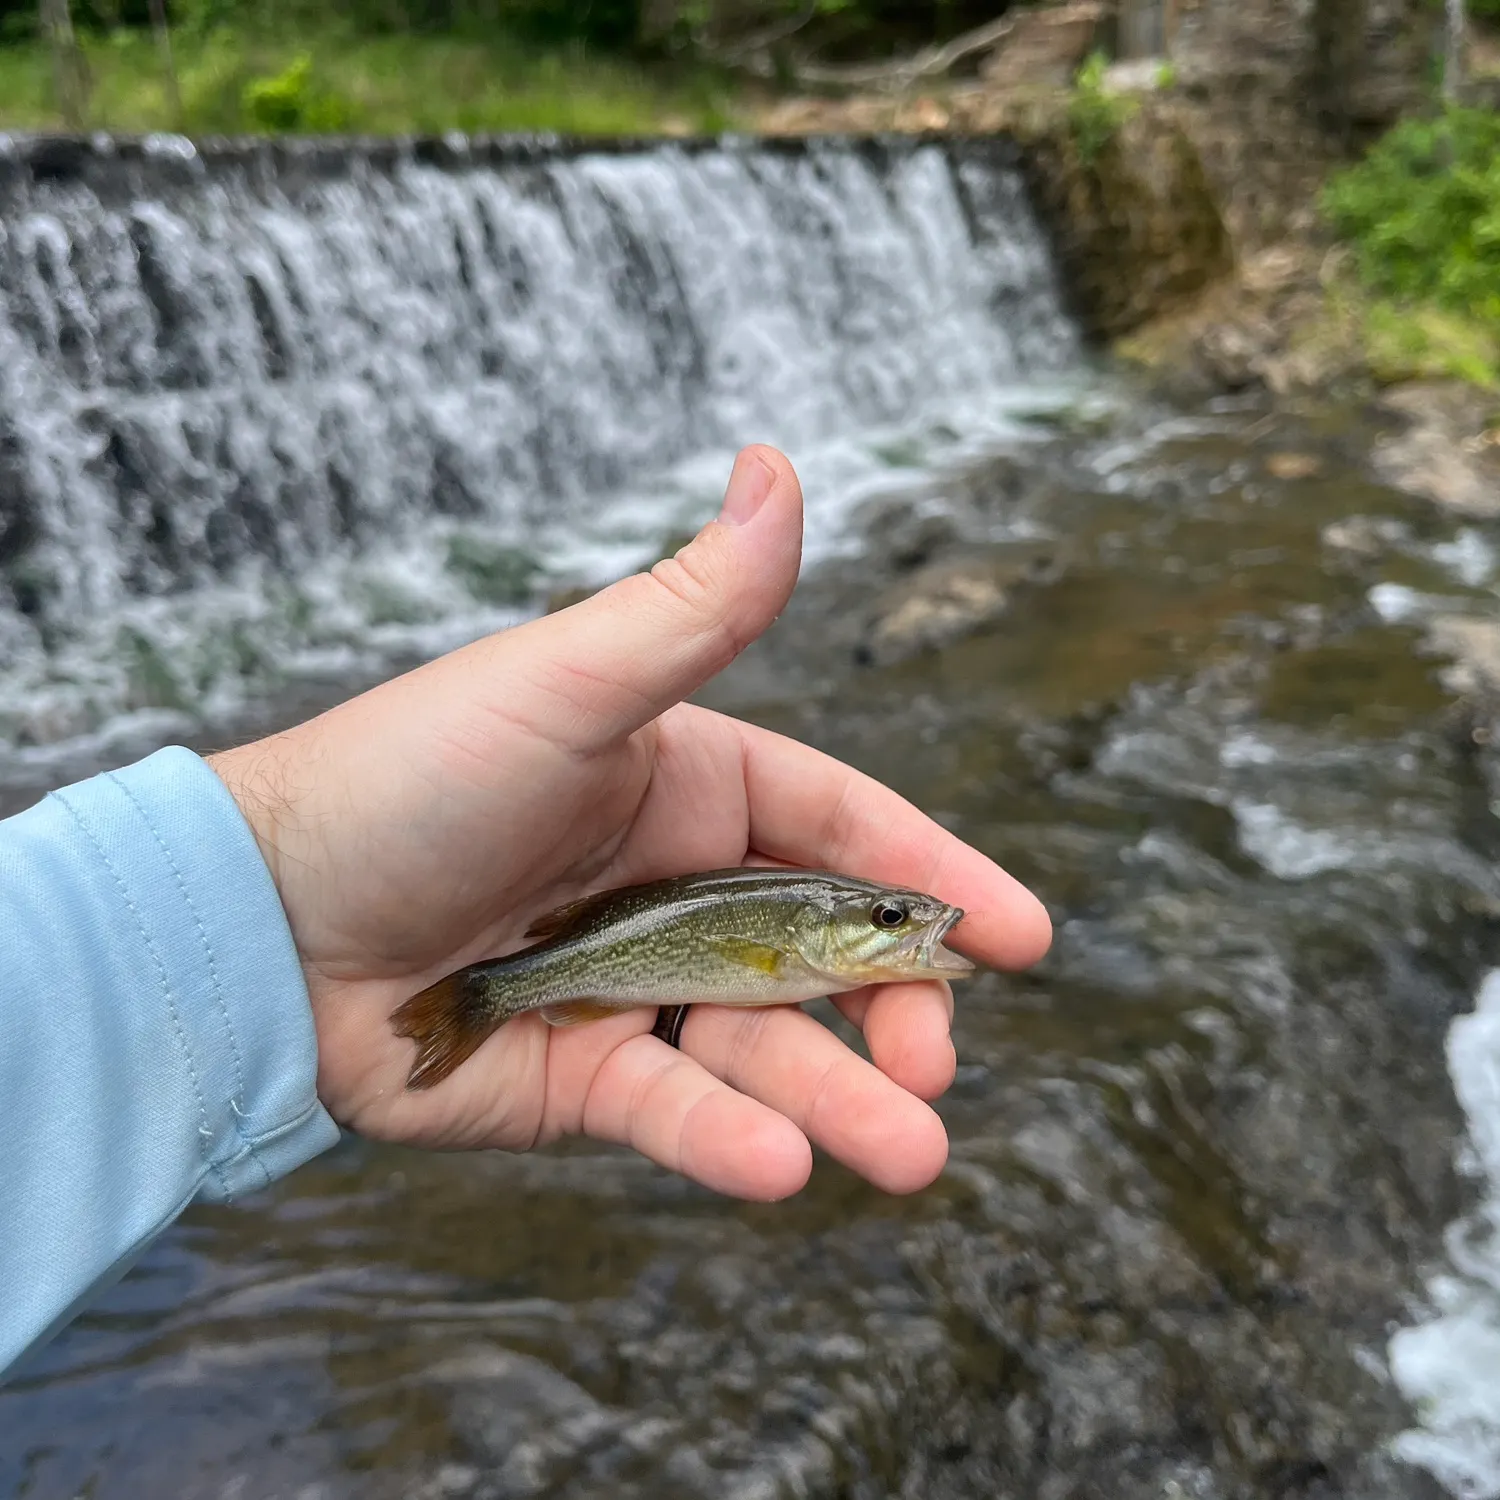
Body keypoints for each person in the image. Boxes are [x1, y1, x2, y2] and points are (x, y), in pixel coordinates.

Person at [0, 447, 1051, 1376]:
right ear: (827, 930)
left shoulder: (806, 944)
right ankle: (482, 999)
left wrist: (246, 910)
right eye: (885, 918)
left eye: (893, 919)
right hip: (536, 966)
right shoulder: (791, 946)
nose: (906, 930)